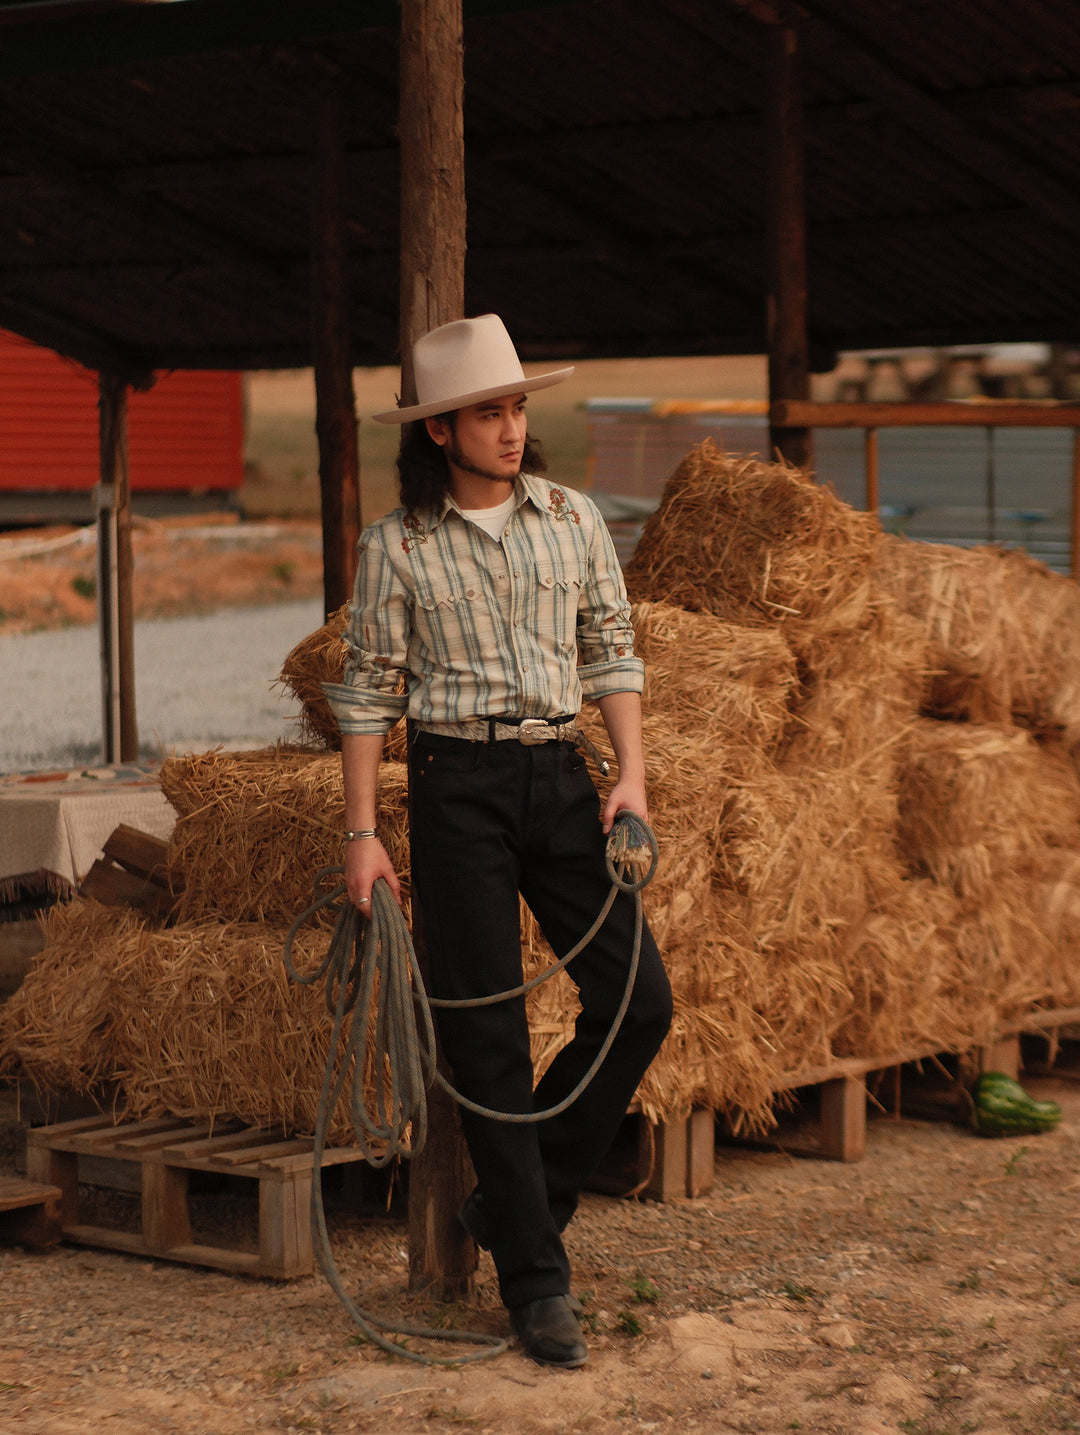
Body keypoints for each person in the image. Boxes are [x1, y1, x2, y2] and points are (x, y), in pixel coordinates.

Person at [323, 313, 672, 1369]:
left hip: (561, 779)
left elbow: (612, 649)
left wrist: (632, 782)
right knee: (487, 1041)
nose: (512, 427)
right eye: (489, 411)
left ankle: (520, 1209)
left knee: (639, 999)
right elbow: (367, 696)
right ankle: (537, 1284)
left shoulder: (572, 519)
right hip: (453, 782)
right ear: (440, 431)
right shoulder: (396, 548)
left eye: (518, 406)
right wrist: (362, 835)